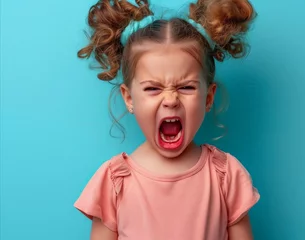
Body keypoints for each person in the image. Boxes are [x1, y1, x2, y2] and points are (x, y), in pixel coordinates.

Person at [74, 0, 260, 239]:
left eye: (186, 87)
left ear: (208, 97)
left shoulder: (226, 175)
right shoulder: (114, 182)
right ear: (129, 98)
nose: (171, 100)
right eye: (152, 88)